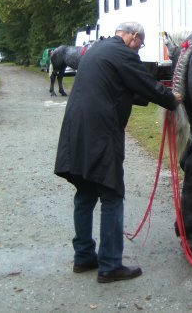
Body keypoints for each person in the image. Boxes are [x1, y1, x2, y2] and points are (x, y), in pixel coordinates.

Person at [54, 22, 181, 284]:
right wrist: (171, 98)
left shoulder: (97, 49)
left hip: (76, 129)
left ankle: (84, 257)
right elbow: (144, 83)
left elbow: (118, 85)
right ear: (134, 36)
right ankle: (110, 265)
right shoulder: (123, 53)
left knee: (86, 192)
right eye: (141, 43)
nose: (139, 49)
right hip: (101, 131)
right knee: (111, 194)